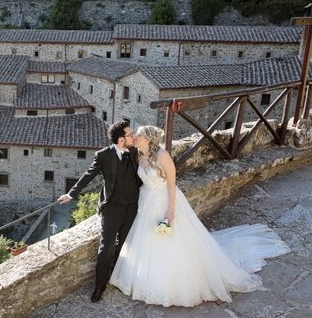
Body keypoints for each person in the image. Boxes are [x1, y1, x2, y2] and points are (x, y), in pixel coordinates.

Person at [109, 125, 290, 307]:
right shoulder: (138, 155)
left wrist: (170, 210)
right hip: (146, 201)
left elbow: (172, 184)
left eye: (138, 135)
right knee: (146, 238)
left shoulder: (163, 156)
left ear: (148, 138)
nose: (135, 137)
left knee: (173, 241)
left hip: (164, 201)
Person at [57, 119, 141, 303]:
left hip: (133, 205)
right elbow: (89, 174)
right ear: (121, 140)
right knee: (106, 247)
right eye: (130, 134)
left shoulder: (135, 150)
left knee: (125, 244)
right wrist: (71, 194)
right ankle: (100, 286)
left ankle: (117, 277)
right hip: (112, 207)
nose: (133, 136)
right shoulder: (104, 155)